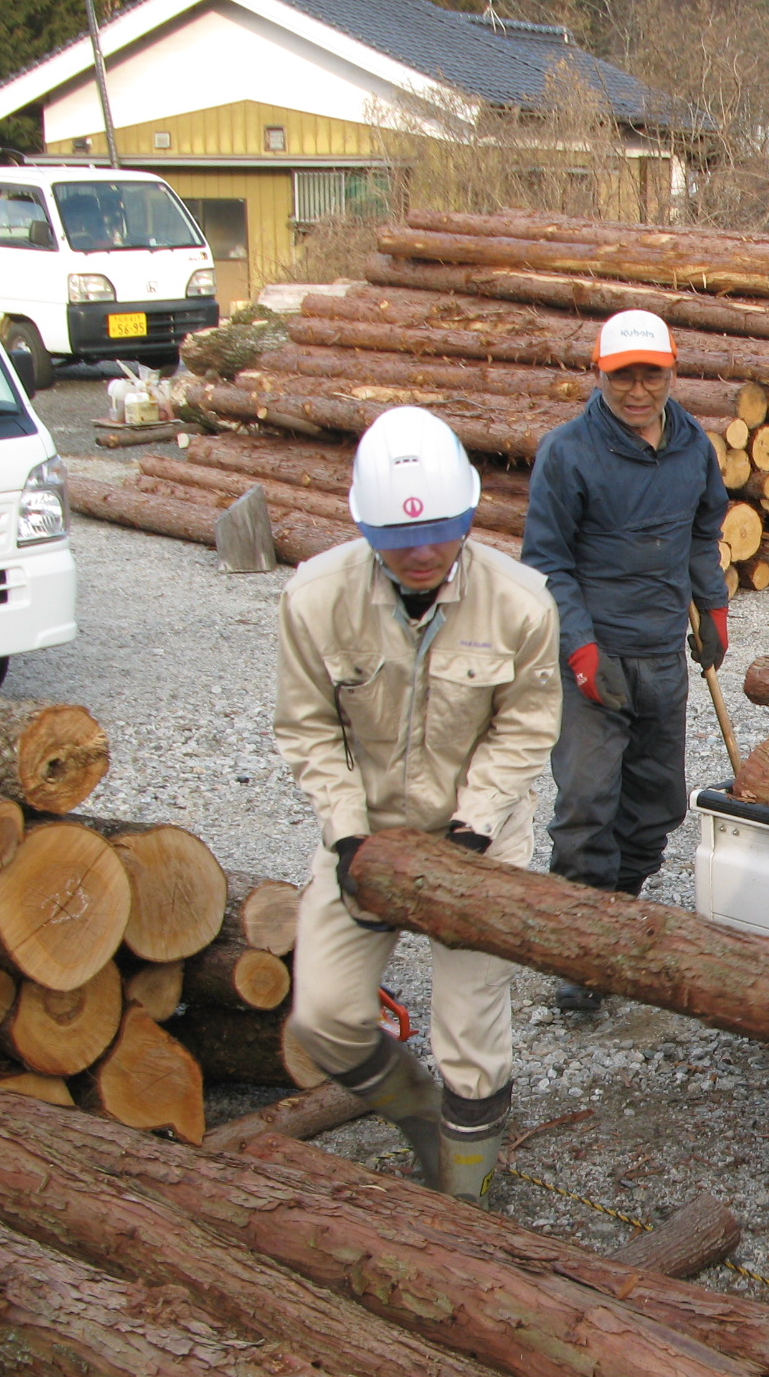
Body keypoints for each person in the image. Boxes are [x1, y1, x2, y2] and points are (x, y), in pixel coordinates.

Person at [276, 405, 561, 1202]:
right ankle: (413, 1111)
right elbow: (306, 730)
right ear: (365, 528)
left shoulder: (521, 604)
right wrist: (344, 836)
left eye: (441, 530)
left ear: (468, 514)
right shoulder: (314, 601)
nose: (424, 552)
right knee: (322, 1015)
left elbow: (528, 726)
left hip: (480, 835)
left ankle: (464, 1192)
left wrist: (475, 822)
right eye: (402, 539)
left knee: (470, 1029)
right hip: (366, 835)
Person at [524, 308, 731, 1012]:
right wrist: (579, 648)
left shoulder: (692, 446)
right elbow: (547, 563)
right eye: (623, 376)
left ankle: (614, 915)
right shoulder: (568, 452)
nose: (638, 389)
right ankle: (581, 954)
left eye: (652, 374)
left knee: (656, 806)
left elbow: (705, 533)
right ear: (600, 373)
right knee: (586, 804)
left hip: (662, 654)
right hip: (596, 658)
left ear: (673, 372)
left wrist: (716, 607)